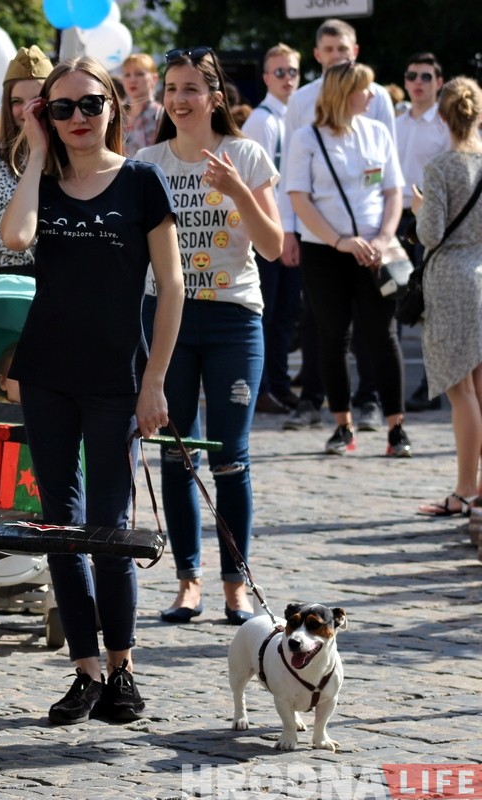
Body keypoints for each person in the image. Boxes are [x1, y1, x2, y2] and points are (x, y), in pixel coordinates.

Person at [0, 57, 183, 724]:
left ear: (112, 106)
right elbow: (14, 237)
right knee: (60, 526)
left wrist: (154, 379)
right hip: (47, 374)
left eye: (89, 104)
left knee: (108, 528)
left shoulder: (141, 181)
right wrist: (33, 153)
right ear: (45, 116)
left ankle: (121, 667)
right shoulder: (41, 183)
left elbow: (172, 286)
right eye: (61, 107)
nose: (77, 117)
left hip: (117, 379)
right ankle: (84, 670)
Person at [136, 47, 282, 626]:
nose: (179, 100)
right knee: (177, 452)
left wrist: (238, 189)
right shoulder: (147, 162)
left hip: (232, 319)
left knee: (230, 457)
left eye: (191, 89)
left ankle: (235, 585)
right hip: (166, 318)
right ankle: (187, 581)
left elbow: (272, 246)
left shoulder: (245, 154)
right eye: (171, 89)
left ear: (215, 97)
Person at [285, 61, 409, 457]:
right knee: (333, 336)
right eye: (364, 89)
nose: (372, 95)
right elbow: (299, 198)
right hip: (325, 251)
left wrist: (384, 238)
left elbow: (393, 191)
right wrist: (339, 241)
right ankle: (343, 425)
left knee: (384, 336)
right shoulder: (306, 137)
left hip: (375, 251)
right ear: (343, 94)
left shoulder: (377, 132)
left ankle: (396, 428)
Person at [413, 78, 482, 517]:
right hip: (481, 273)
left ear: (441, 116)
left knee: (462, 392)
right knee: (479, 388)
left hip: (451, 279)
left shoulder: (440, 166)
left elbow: (431, 233)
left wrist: (419, 209)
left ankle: (464, 490)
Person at [242, 44, 303, 415]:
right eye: (279, 72)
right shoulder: (262, 121)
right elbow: (258, 186)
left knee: (284, 316)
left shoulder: (293, 116)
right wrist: (281, 232)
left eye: (292, 71)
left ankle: (279, 384)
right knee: (265, 315)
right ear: (266, 77)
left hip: (291, 229)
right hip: (271, 232)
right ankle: (262, 387)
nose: (287, 78)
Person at [396, 53, 451, 413]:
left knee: (426, 303)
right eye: (412, 75)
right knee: (391, 298)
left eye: (426, 76)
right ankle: (390, 387)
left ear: (439, 83)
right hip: (393, 218)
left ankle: (430, 386)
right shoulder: (395, 122)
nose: (418, 82)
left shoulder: (444, 125)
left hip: (428, 217)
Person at [0, 45, 53, 278]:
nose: (27, 110)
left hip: (52, 281)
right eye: (17, 101)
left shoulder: (70, 159)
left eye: (36, 100)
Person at [121, 53, 162, 158]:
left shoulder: (161, 114)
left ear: (154, 79)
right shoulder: (115, 114)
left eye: (139, 74)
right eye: (127, 75)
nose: (132, 80)